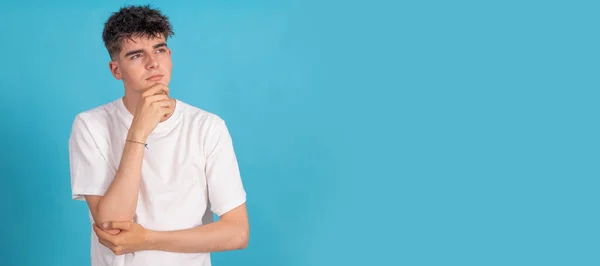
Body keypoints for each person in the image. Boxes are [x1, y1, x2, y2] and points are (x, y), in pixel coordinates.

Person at [68, 5, 249, 266]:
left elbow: (237, 232)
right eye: (136, 55)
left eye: (160, 50)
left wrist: (148, 239)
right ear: (115, 70)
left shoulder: (208, 127)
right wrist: (139, 130)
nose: (153, 63)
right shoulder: (90, 125)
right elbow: (110, 228)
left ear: (170, 55)